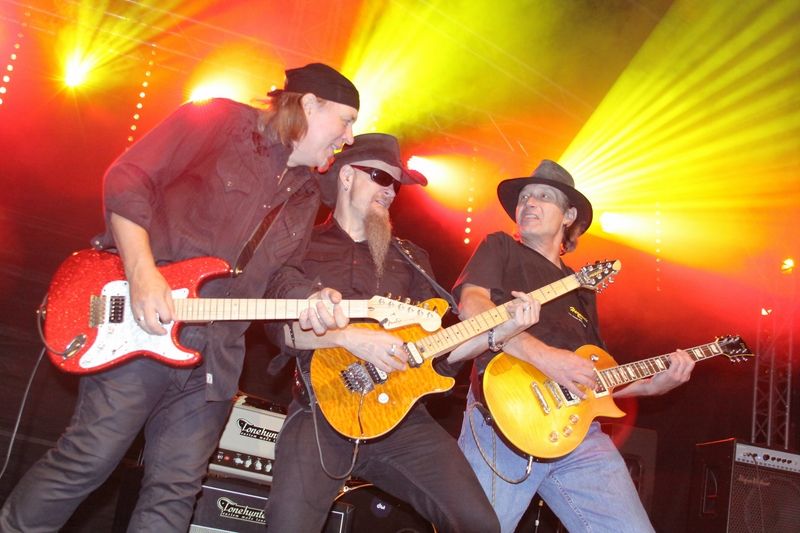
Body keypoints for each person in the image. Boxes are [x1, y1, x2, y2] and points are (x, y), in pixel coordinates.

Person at [0, 63, 359, 532]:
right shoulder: (218, 122)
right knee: (88, 459)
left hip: (215, 359)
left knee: (175, 491)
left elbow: (280, 276)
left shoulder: (307, 194)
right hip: (142, 325)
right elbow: (128, 179)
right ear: (309, 105)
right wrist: (142, 273)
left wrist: (311, 297)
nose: (349, 137)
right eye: (346, 121)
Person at [262, 133, 539, 533]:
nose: (390, 191)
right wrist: (350, 337)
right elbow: (282, 331)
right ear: (346, 176)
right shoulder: (303, 246)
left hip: (403, 419)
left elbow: (441, 353)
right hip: (321, 412)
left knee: (479, 523)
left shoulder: (411, 259)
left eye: (396, 184)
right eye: (381, 177)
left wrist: (500, 332)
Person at [453, 160, 696, 533]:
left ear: (569, 216)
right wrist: (545, 357)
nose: (529, 203)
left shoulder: (581, 288)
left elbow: (591, 376)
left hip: (576, 431)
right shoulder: (500, 246)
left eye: (543, 196)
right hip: (504, 415)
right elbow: (472, 307)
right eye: (524, 197)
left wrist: (650, 387)